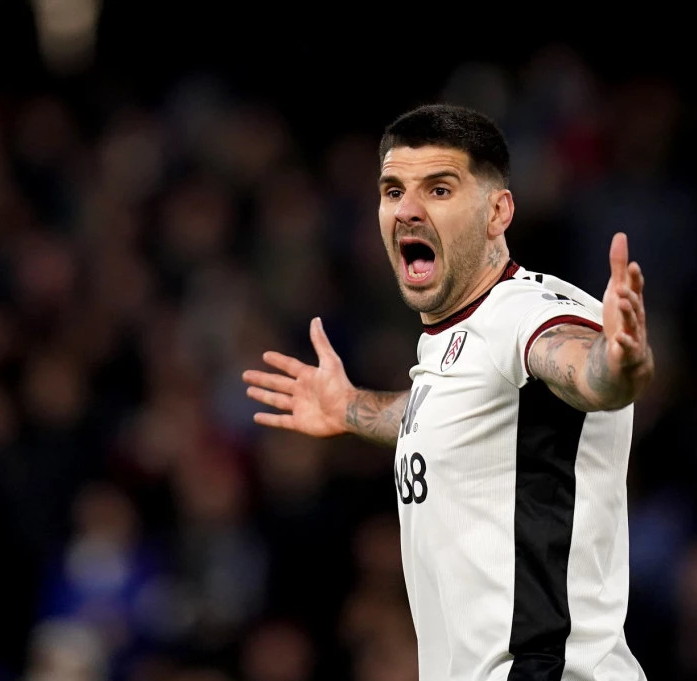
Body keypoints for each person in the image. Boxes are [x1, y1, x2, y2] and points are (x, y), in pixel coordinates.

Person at [242, 103, 654, 681]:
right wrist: (350, 407)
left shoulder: (527, 314)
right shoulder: (460, 339)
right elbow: (444, 416)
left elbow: (586, 371)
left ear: (497, 212)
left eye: (439, 190)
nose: (407, 210)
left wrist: (620, 362)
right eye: (393, 191)